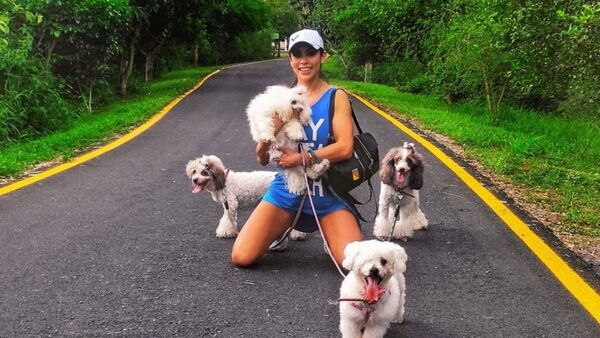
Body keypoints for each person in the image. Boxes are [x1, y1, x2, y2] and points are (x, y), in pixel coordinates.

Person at [231, 29, 363, 267]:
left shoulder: (336, 96)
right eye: (297, 54)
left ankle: (329, 234)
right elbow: (262, 159)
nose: (304, 60)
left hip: (328, 192)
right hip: (286, 191)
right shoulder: (278, 99)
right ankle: (280, 229)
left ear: (323, 56)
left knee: (353, 264)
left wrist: (303, 158)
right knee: (241, 256)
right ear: (290, 59)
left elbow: (345, 148)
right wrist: (266, 142)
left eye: (310, 53)